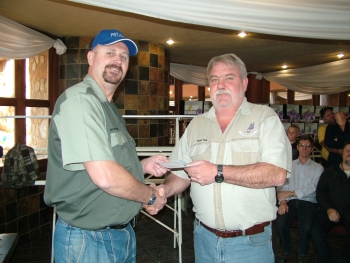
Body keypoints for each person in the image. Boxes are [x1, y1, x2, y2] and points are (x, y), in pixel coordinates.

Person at [146, 53, 292, 263]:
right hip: (204, 240)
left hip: (250, 244)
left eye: (229, 78)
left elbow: (276, 174)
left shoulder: (265, 118)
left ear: (244, 82)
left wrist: (218, 172)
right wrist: (162, 191)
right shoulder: (196, 125)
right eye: (214, 79)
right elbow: (182, 172)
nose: (220, 85)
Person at [44, 29, 169, 263]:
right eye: (110, 52)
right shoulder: (81, 102)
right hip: (89, 242)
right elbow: (105, 177)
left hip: (117, 236)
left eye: (123, 56)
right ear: (91, 58)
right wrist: (149, 196)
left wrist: (142, 166)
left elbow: (102, 165)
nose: (117, 60)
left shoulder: (107, 107)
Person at [275, 135, 324, 263]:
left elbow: (313, 188)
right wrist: (283, 202)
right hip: (289, 202)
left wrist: (290, 193)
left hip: (308, 202)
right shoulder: (288, 166)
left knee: (306, 226)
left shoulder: (318, 168)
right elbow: (281, 186)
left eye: (308, 146)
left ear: (312, 149)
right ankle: (286, 249)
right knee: (280, 224)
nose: (304, 148)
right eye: (301, 145)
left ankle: (303, 251)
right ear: (297, 147)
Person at [311, 140, 350, 263]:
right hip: (331, 209)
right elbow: (320, 193)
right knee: (316, 229)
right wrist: (329, 209)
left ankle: (339, 260)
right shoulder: (329, 172)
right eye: (348, 150)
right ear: (342, 153)